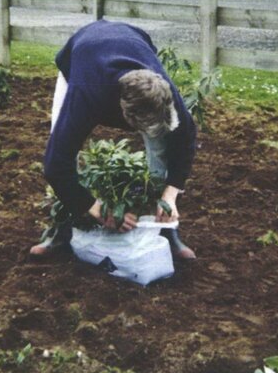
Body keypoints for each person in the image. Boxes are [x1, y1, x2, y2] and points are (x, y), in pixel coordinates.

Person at [30, 19, 197, 259]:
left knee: (161, 148)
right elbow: (55, 165)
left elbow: (186, 136)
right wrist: (97, 209)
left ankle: (164, 230)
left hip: (132, 42)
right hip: (81, 57)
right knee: (64, 146)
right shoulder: (86, 94)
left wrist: (169, 195)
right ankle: (61, 229)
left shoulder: (162, 89)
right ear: (125, 117)